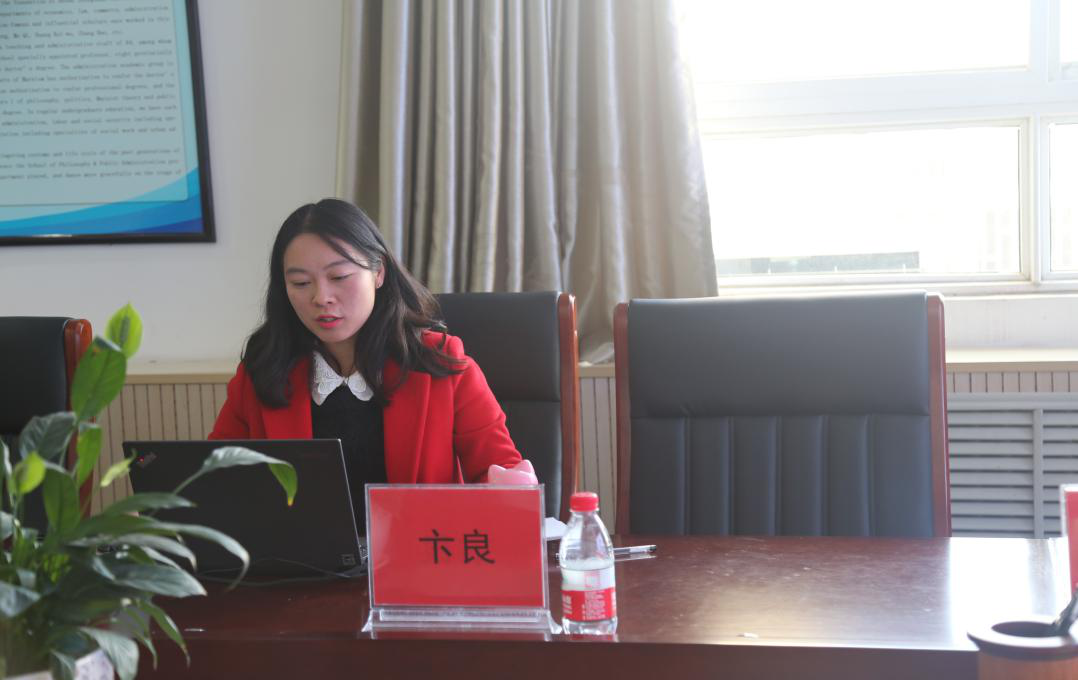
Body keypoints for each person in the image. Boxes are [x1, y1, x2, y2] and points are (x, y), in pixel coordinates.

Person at [210, 198, 534, 524]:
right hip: (300, 555)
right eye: (301, 283)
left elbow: (501, 474)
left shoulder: (439, 363)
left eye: (339, 276)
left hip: (419, 551)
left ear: (378, 272)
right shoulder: (264, 369)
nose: (321, 298)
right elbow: (216, 480)